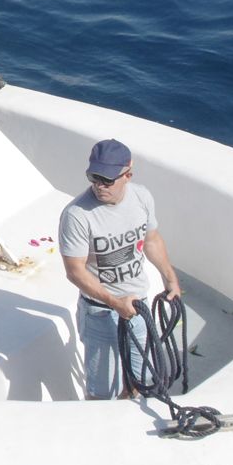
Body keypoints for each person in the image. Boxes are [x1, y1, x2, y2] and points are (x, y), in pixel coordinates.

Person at [58, 139, 182, 400]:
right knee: (103, 393)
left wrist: (170, 278)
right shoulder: (77, 215)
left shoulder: (142, 197)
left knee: (144, 382)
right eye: (94, 177)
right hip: (100, 314)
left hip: (139, 308)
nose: (99, 185)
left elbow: (152, 240)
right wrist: (115, 302)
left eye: (107, 179)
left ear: (127, 175)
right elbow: (75, 271)